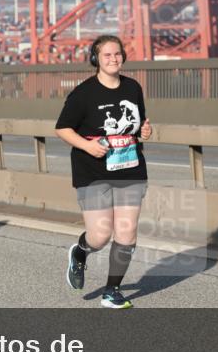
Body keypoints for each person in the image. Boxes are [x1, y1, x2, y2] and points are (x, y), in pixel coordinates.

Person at [55, 35, 153, 309]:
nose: (113, 59)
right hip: (92, 171)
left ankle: (112, 292)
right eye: (107, 55)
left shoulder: (132, 87)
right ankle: (80, 252)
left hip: (130, 168)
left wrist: (146, 131)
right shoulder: (84, 93)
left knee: (127, 233)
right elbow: (62, 128)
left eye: (117, 54)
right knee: (100, 235)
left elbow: (138, 125)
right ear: (95, 59)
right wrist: (87, 145)